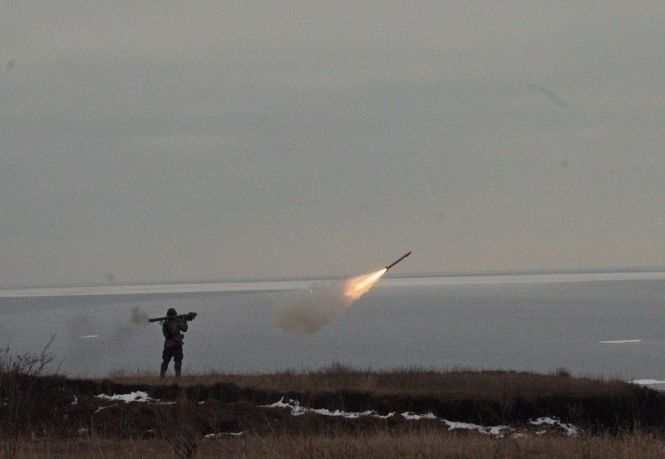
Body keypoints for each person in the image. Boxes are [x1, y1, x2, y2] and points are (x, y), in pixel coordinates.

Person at [159, 307, 188, 378]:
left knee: (165, 361)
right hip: (176, 344)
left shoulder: (165, 323)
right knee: (178, 361)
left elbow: (165, 334)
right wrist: (184, 320)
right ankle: (178, 377)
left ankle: (162, 376)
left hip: (167, 345)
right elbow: (185, 329)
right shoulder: (177, 322)